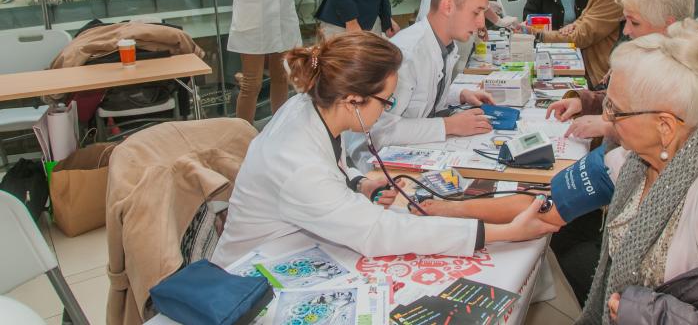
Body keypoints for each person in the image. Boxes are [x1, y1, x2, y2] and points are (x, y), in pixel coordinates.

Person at [425, 23, 698, 325]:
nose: (606, 121)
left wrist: (647, 313)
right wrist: (438, 207)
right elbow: (544, 204)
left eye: (616, 110)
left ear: (665, 126)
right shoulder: (631, 160)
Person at [212, 32, 559, 267]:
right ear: (352, 100)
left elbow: (333, 165)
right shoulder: (297, 163)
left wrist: (360, 182)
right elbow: (378, 233)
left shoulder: (310, 105)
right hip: (254, 274)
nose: (389, 107)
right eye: (386, 100)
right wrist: (503, 233)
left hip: (296, 243)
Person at [550, 0, 698, 158]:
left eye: (635, 23)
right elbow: (630, 104)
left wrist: (610, 128)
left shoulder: (693, 66)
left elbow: (694, 146)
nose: (626, 31)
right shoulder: (662, 54)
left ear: (668, 24)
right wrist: (584, 103)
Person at [345, 0, 499, 171]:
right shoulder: (405, 56)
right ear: (448, 6)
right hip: (376, 165)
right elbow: (379, 131)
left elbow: (422, 91)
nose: (481, 23)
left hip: (412, 151)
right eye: (476, 12)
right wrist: (450, 125)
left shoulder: (445, 45)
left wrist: (459, 94)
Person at [534, 0, 627, 89]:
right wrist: (574, 25)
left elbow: (582, 37)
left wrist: (538, 35)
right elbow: (584, 18)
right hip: (587, 64)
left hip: (599, 76)